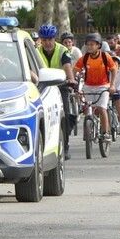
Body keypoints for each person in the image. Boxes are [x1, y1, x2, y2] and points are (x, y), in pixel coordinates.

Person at [37, 24, 76, 158]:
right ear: (41, 40)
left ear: (55, 39)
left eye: (50, 39)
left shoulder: (63, 50)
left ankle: (65, 146)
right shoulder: (36, 51)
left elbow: (67, 66)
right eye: (44, 40)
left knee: (65, 114)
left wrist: (71, 79)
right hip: (42, 87)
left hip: (60, 85)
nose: (47, 43)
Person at [74, 33, 119, 143]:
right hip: (88, 86)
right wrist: (75, 86)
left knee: (102, 108)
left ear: (98, 45)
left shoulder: (105, 57)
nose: (89, 47)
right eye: (88, 44)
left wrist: (112, 85)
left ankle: (105, 133)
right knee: (89, 109)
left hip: (103, 86)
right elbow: (75, 71)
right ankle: (89, 128)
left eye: (92, 44)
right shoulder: (84, 58)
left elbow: (114, 69)